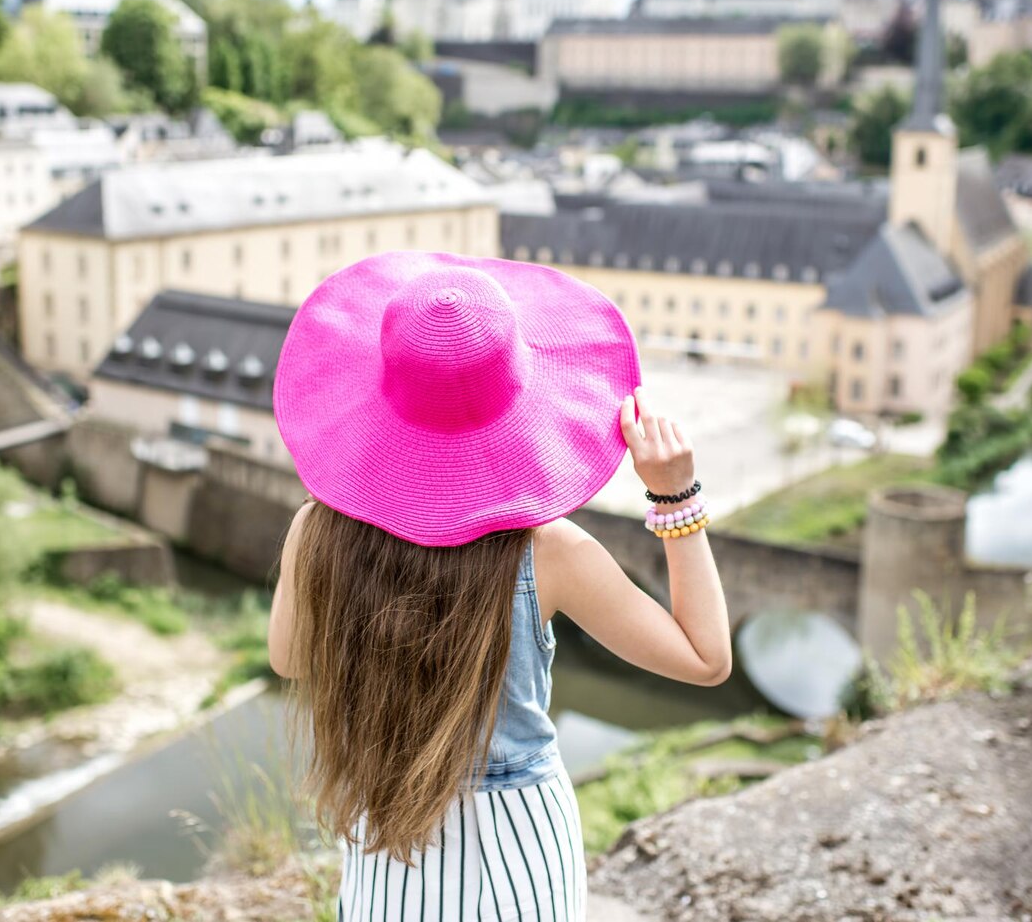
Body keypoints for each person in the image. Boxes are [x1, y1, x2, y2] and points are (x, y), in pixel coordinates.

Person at [268, 250, 732, 921]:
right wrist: (675, 497)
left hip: (388, 826)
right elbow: (706, 656)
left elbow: (288, 658)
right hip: (520, 840)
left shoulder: (317, 530)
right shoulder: (550, 553)